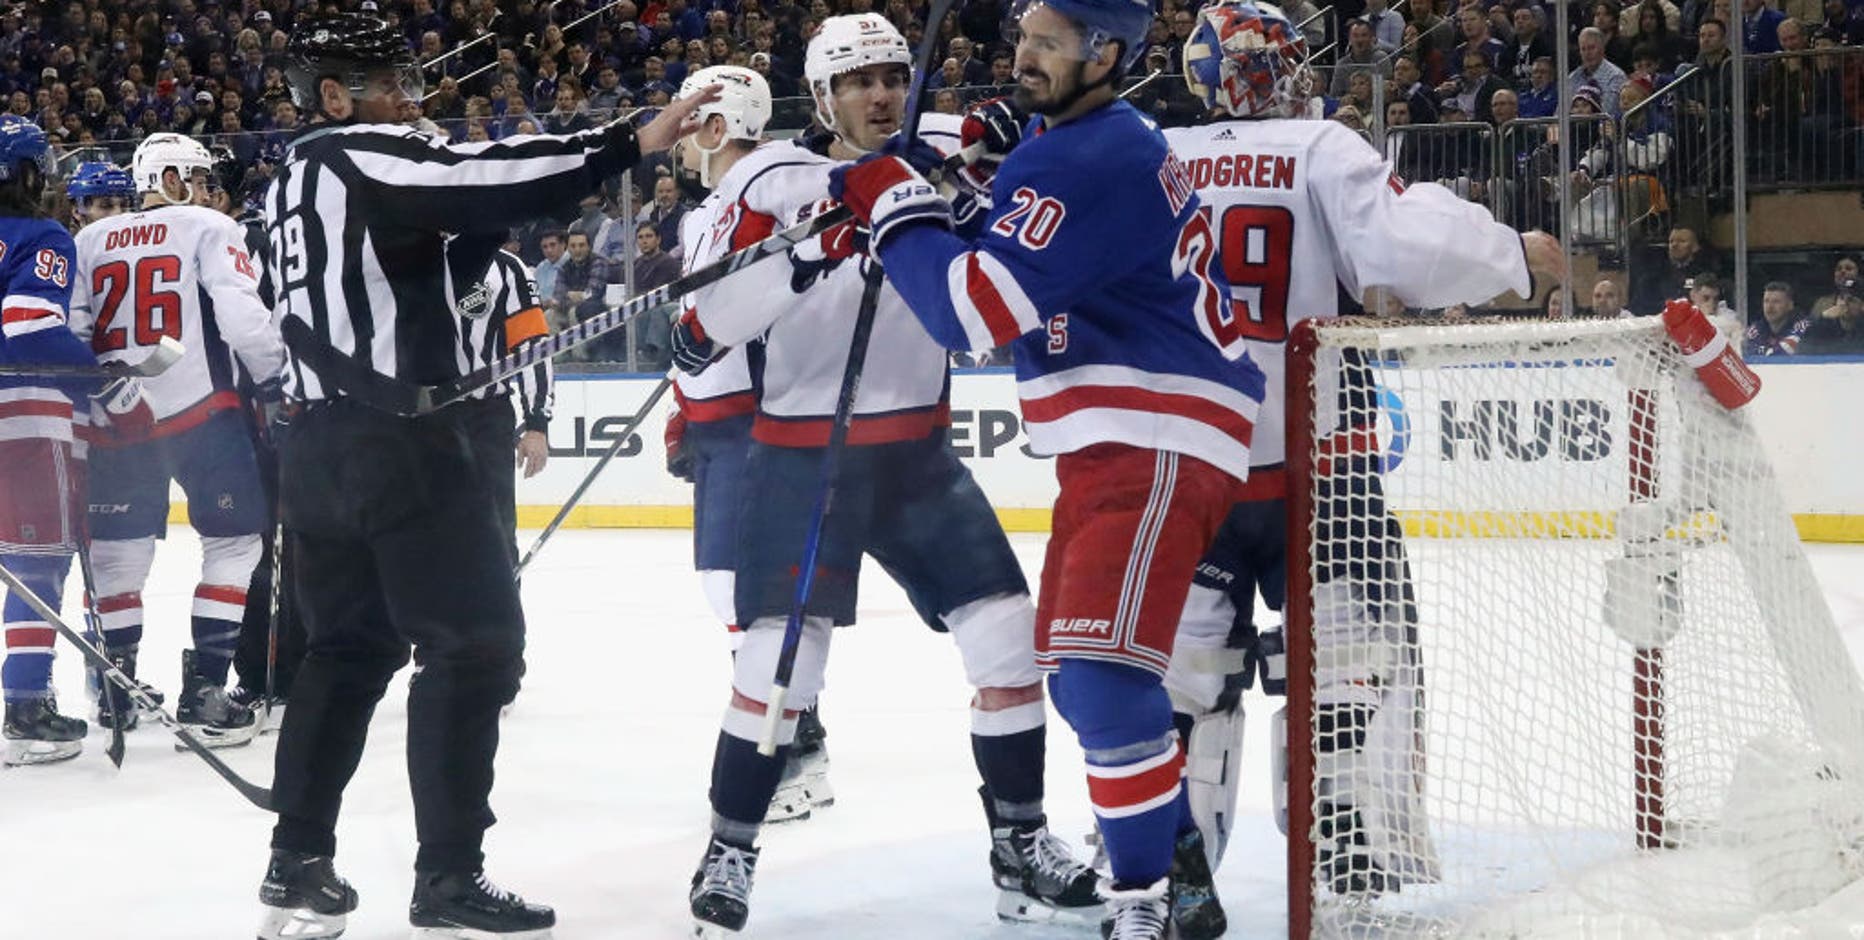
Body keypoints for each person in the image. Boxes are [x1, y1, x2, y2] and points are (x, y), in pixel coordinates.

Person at [251, 15, 714, 940]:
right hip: (407, 442)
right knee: (475, 650)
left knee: (347, 651)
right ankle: (449, 876)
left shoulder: (280, 193)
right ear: (335, 98)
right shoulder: (363, 154)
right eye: (393, 83)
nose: (414, 102)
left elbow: (391, 271)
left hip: (318, 451)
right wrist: (630, 140)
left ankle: (297, 860)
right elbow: (479, 177)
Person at [826, 0, 1281, 933]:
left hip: (1154, 431)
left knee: (1103, 679)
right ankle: (1160, 874)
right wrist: (966, 195)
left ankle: (1145, 897)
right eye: (1023, 38)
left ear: (1106, 55)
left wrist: (893, 205)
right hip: (1124, 440)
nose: (1022, 57)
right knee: (1084, 678)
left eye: (1048, 45)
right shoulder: (1090, 143)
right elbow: (1027, 253)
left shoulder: (1085, 158)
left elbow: (974, 312)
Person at [676, 28, 1098, 932]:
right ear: (822, 97)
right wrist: (813, 248)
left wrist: (995, 144)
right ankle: (729, 846)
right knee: (783, 668)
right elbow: (708, 316)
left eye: (893, 79)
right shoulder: (771, 182)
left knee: (1008, 642)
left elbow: (1032, 196)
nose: (879, 96)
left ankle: (1020, 838)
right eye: (858, 81)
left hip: (915, 454)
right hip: (801, 459)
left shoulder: (941, 152)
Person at [1154, 0, 1564, 924]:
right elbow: (1401, 244)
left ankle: (1166, 875)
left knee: (1183, 686)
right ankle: (1347, 874)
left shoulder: (1156, 155)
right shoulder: (1318, 147)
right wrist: (1515, 259)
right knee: (1350, 674)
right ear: (1278, 70)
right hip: (1319, 467)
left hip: (1193, 467)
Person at [67, 131, 284, 747]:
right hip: (202, 415)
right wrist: (275, 379)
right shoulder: (209, 227)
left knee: (118, 558)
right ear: (173, 177)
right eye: (198, 176)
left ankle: (116, 689)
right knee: (235, 544)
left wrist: (110, 397)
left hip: (119, 421)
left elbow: (76, 335)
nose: (206, 189)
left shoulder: (88, 239)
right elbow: (243, 319)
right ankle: (206, 689)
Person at [0, 115, 140, 766]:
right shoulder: (42, 234)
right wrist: (102, 385)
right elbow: (30, 335)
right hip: (21, 415)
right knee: (38, 560)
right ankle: (25, 708)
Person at [1744, 280, 1813, 356]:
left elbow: (1783, 353)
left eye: (1776, 301)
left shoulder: (1802, 326)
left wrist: (1763, 350)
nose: (1770, 307)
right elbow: (1749, 352)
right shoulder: (1757, 327)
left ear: (1790, 305)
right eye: (1766, 301)